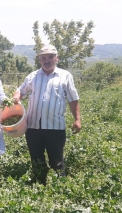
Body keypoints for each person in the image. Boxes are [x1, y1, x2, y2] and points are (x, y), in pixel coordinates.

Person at [13, 44, 82, 184]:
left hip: (55, 127)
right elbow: (21, 90)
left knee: (56, 160)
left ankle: (59, 188)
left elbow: (73, 98)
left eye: (50, 57)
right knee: (36, 159)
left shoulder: (65, 76)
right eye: (43, 58)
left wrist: (77, 119)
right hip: (33, 127)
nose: (47, 60)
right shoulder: (33, 76)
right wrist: (16, 97)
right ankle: (39, 185)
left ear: (57, 58)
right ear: (40, 60)